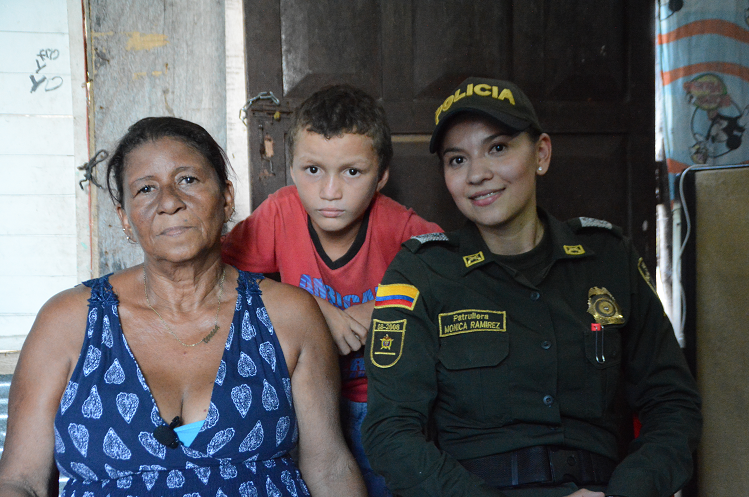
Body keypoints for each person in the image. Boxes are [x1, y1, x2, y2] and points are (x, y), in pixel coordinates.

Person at [362, 78, 702, 497]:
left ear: (541, 153)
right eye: (457, 160)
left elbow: (673, 404)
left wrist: (629, 492)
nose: (477, 174)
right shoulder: (422, 272)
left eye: (498, 148)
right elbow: (390, 432)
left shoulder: (609, 258)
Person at [0, 117, 366, 496]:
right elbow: (19, 481)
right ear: (124, 217)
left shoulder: (288, 315)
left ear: (226, 198)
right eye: (145, 189)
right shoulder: (68, 322)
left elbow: (330, 468)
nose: (169, 202)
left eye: (188, 180)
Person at [222, 84, 442, 496]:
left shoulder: (399, 225)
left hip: (384, 405)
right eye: (313, 170)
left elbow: (455, 280)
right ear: (291, 169)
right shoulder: (280, 213)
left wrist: (381, 309)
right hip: (301, 405)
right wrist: (311, 308)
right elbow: (220, 277)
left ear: (382, 176)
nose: (330, 192)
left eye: (352, 172)